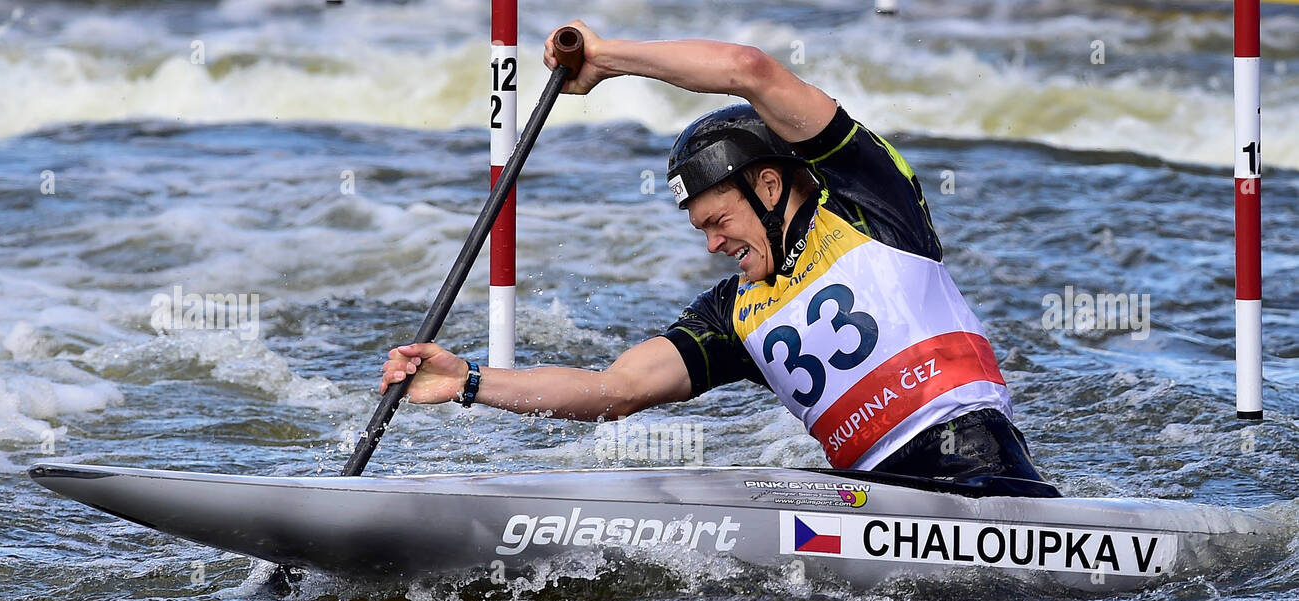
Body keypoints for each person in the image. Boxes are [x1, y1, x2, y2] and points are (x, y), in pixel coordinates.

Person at [380, 22, 1053, 491]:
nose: (711, 244)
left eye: (717, 220)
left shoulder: (870, 205)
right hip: (874, 504)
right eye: (699, 228)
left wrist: (609, 59)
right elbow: (618, 390)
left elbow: (750, 70)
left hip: (987, 477)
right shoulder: (735, 314)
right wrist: (467, 382)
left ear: (768, 185)